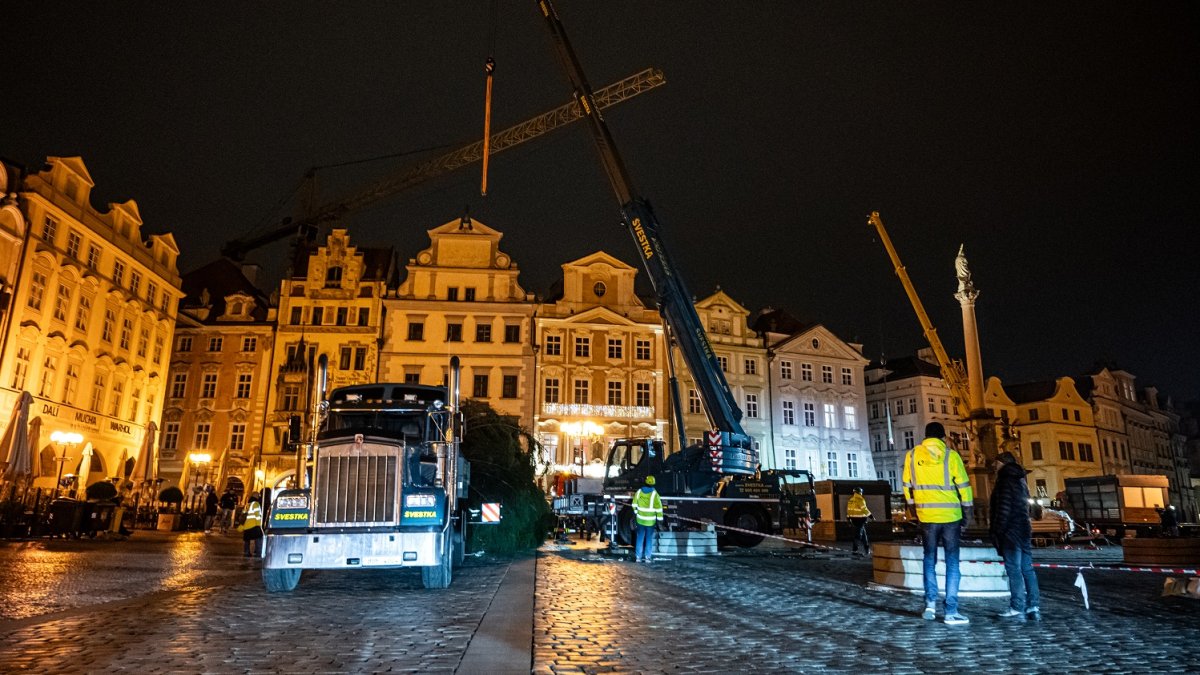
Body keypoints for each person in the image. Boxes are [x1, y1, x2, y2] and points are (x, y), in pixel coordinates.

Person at [902, 421, 974, 625]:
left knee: (929, 559)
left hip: (926, 516)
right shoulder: (951, 455)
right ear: (943, 437)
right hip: (951, 516)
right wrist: (968, 512)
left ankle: (930, 604)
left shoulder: (913, 455)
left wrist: (913, 507)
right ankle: (951, 611)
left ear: (925, 437)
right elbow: (964, 487)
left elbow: (907, 485)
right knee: (952, 562)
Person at [989, 451, 1040, 622]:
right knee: (1028, 569)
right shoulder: (1021, 480)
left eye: (996, 463)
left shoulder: (1004, 482)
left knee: (1014, 570)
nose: (994, 466)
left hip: (1010, 531)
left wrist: (997, 531)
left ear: (1003, 463)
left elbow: (1003, 510)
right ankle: (1033, 605)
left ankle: (1017, 606)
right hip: (1024, 529)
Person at [632, 475, 663, 562]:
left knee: (640, 538)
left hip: (640, 520)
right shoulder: (654, 494)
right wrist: (660, 520)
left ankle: (638, 557)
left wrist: (636, 513)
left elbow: (634, 504)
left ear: (645, 482)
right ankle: (647, 557)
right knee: (649, 539)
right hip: (650, 522)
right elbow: (659, 508)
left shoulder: (639, 492)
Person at [847, 487, 872, 556]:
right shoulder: (860, 499)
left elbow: (848, 511)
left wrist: (848, 519)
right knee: (858, 536)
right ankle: (855, 551)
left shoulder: (851, 500)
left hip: (854, 520)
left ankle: (867, 549)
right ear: (860, 492)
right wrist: (871, 516)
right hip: (860, 520)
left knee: (864, 535)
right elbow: (864, 509)